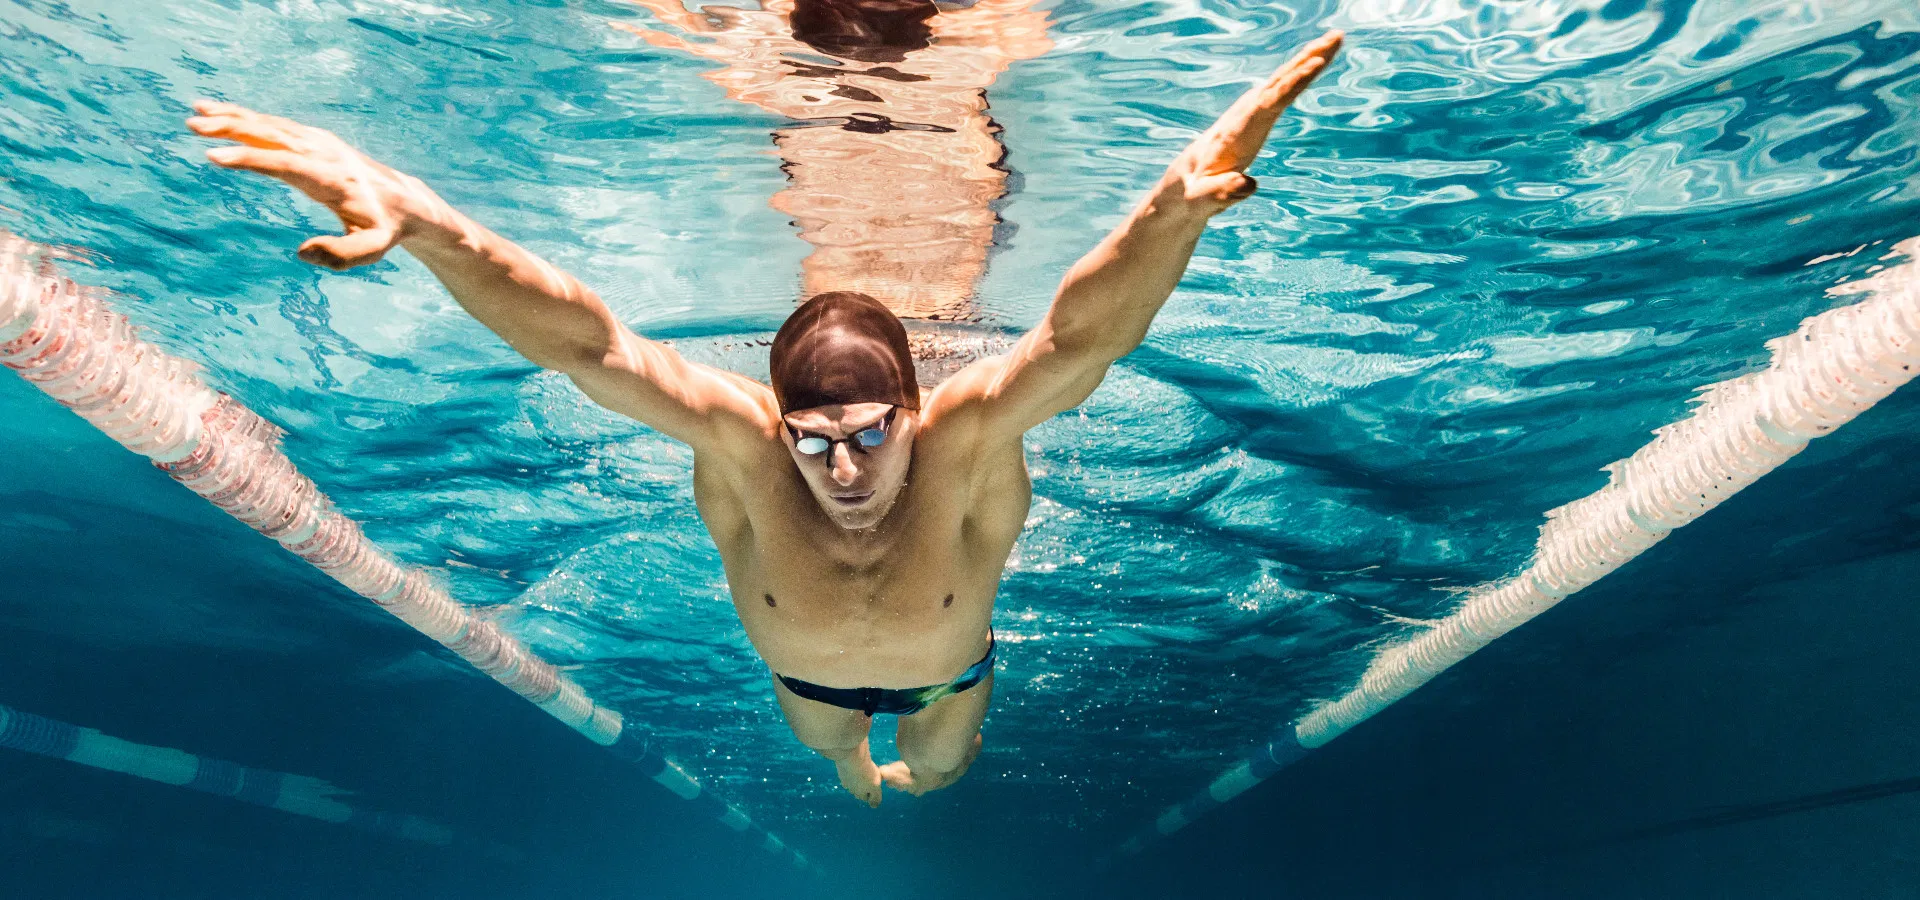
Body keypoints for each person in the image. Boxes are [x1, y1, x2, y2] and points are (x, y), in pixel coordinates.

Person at [186, 29, 1343, 806]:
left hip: (951, 680)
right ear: (777, 419)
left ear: (914, 405)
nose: (842, 464)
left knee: (932, 783)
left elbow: (1078, 339)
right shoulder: (741, 446)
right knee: (841, 762)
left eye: (871, 430)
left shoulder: (968, 435)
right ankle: (857, 773)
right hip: (808, 693)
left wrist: (1172, 208)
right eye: (814, 436)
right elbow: (588, 342)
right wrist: (435, 228)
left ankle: (905, 784)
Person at [617, 0, 1053, 323]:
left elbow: (665, 22)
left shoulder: (757, 50)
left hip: (861, 301)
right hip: (914, 285)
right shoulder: (982, 37)